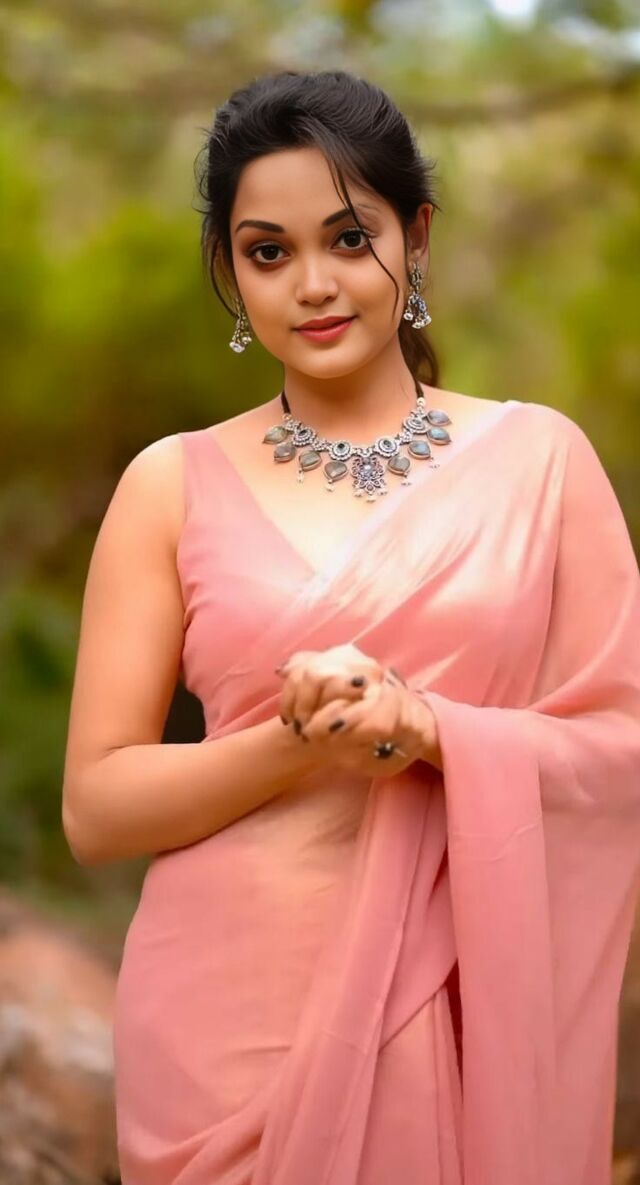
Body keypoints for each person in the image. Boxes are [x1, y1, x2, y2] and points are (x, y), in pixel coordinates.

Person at [61, 69, 640, 1185]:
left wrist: (427, 729)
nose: (314, 284)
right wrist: (302, 740)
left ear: (414, 238)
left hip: (456, 1001)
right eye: (268, 251)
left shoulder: (541, 463)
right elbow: (96, 807)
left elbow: (621, 753)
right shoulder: (169, 484)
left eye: (347, 237)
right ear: (229, 269)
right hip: (223, 1028)